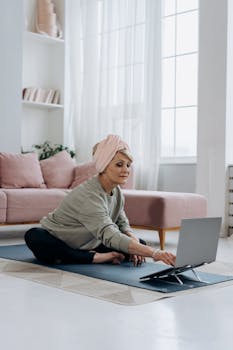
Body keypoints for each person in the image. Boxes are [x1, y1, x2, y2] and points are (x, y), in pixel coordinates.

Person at [25, 134, 176, 267]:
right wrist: (156, 253)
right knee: (34, 236)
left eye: (128, 165)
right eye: (119, 165)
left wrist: (136, 243)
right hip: (61, 240)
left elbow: (122, 224)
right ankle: (96, 258)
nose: (126, 170)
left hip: (91, 241)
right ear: (104, 166)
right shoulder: (89, 195)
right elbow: (109, 233)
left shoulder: (116, 191)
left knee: (139, 244)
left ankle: (82, 256)